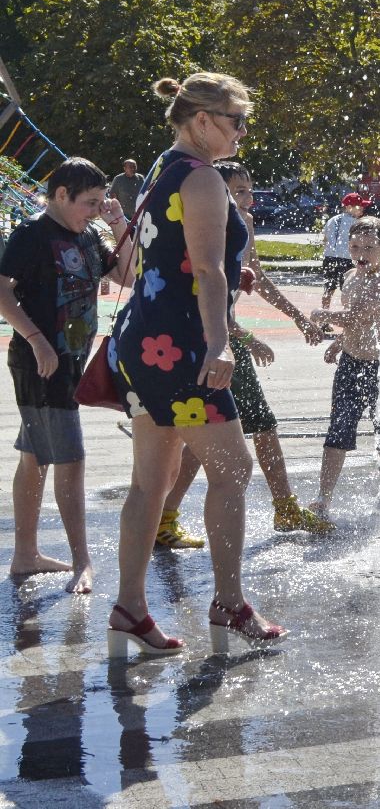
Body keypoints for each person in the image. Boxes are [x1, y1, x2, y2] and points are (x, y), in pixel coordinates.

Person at [106, 73, 286, 656]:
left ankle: (130, 608)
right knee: (233, 469)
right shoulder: (205, 177)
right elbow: (206, 271)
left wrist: (233, 278)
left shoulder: (165, 166)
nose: (242, 131)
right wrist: (220, 343)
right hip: (182, 345)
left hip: (142, 337)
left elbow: (167, 256)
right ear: (203, 120)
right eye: (237, 120)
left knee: (149, 481)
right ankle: (229, 604)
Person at [154, 161, 332, 549]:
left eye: (249, 191)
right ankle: (283, 508)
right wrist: (245, 337)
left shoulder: (243, 224)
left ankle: (164, 518)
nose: (248, 199)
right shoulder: (206, 223)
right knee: (254, 426)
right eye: (239, 192)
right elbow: (206, 292)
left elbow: (257, 277)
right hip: (212, 343)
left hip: (223, 341)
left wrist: (298, 317)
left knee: (208, 436)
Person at [1, 159, 135, 593]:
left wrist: (118, 224)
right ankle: (82, 562)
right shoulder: (32, 234)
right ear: (61, 195)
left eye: (101, 203)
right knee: (71, 459)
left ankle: (25, 555)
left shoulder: (91, 234)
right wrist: (37, 339)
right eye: (90, 203)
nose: (96, 210)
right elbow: (0, 290)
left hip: (69, 360)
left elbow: (129, 275)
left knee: (35, 455)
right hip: (41, 361)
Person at [308, 216, 380, 518]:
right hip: (350, 363)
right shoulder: (349, 276)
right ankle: (323, 497)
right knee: (338, 429)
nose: (361, 253)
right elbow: (356, 324)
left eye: (370, 248)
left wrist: (323, 315)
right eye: (355, 246)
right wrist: (340, 343)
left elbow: (359, 315)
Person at [319, 193, 370, 311]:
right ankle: (348, 319)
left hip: (329, 258)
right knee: (348, 290)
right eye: (359, 206)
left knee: (328, 288)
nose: (362, 208)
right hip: (347, 259)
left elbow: (325, 240)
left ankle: (324, 316)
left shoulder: (332, 220)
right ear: (348, 207)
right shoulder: (357, 223)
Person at [107, 160, 142, 226]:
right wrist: (115, 212)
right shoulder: (118, 179)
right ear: (125, 168)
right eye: (130, 167)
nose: (133, 169)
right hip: (124, 214)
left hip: (137, 213)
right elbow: (112, 195)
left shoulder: (140, 179)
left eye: (134, 167)